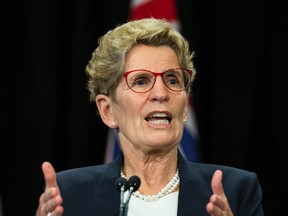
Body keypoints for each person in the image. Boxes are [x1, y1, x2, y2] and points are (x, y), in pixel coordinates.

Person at [36, 18, 264, 216]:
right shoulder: (69, 195)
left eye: (172, 80)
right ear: (108, 110)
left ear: (185, 107)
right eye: (141, 81)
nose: (161, 94)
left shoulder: (235, 191)